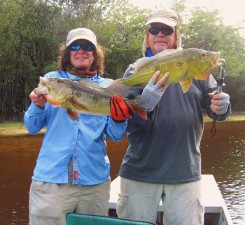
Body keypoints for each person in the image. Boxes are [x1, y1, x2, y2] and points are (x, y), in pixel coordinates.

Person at [24, 27, 168, 225]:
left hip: (94, 183)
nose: (81, 50)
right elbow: (31, 126)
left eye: (88, 47)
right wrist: (37, 105)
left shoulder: (108, 86)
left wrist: (119, 118)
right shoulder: (52, 79)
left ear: (95, 54)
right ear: (67, 52)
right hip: (51, 181)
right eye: (75, 45)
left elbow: (116, 136)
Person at [116, 9, 231, 225]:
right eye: (154, 29)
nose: (160, 34)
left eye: (167, 29)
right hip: (140, 172)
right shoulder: (135, 71)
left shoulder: (198, 67)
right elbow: (128, 125)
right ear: (147, 35)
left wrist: (223, 106)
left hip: (184, 172)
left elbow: (217, 109)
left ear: (176, 35)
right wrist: (144, 104)